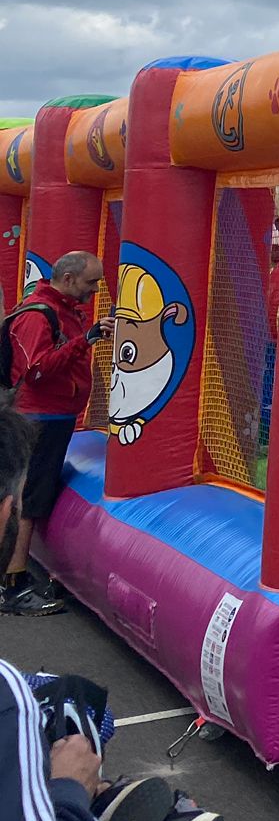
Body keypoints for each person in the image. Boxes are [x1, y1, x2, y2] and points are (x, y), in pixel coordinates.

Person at [1, 407, 225, 821]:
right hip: (49, 410)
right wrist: (68, 790)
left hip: (55, 411)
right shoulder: (7, 701)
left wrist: (36, 689)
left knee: (69, 701)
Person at [3, 252, 110, 617]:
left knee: (29, 494)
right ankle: (11, 583)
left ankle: (12, 578)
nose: (94, 290)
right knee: (27, 498)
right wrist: (86, 341)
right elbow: (36, 370)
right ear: (67, 278)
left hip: (53, 415)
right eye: (90, 282)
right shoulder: (39, 314)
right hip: (40, 417)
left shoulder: (60, 310)